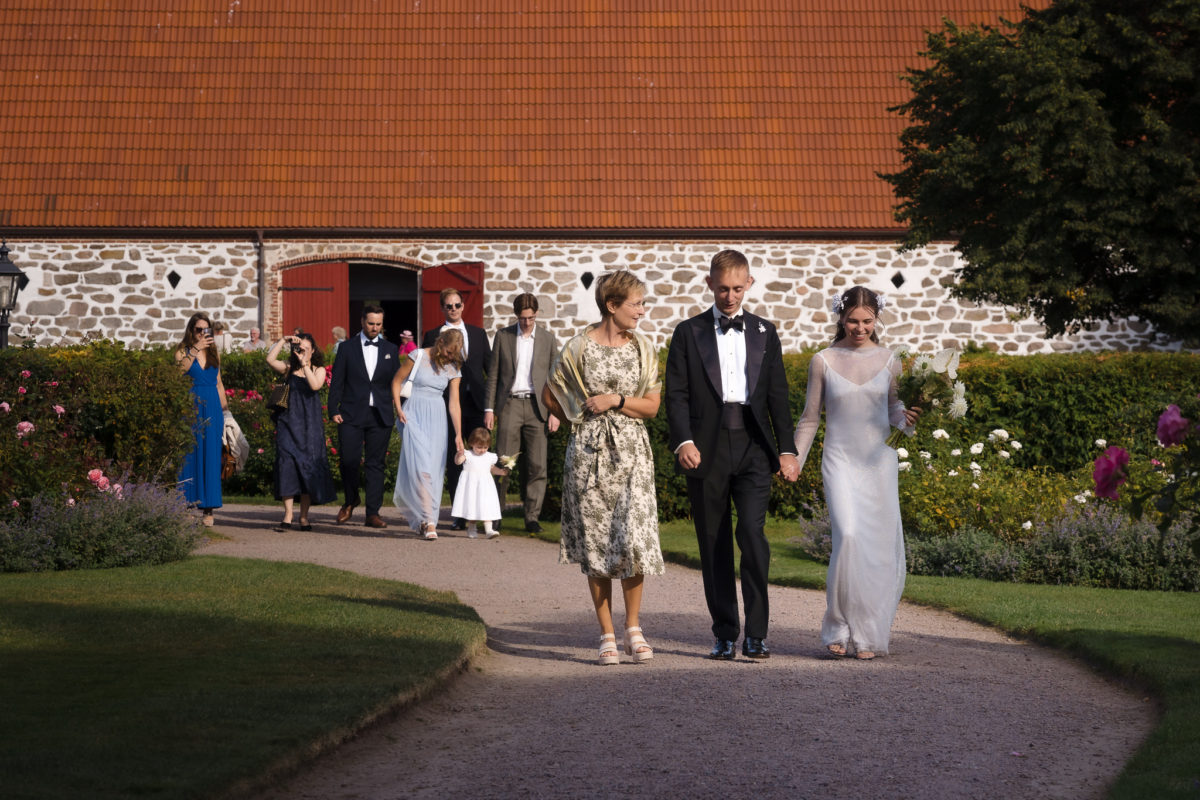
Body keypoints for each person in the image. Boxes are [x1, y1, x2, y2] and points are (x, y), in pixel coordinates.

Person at [665, 249, 800, 661]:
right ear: (709, 284)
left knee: (753, 537)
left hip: (755, 449)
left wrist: (788, 449)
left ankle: (757, 634)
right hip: (706, 449)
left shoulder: (765, 331)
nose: (729, 296)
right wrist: (683, 441)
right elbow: (676, 394)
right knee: (714, 541)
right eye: (722, 288)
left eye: (737, 288)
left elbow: (778, 396)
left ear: (749, 285)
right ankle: (725, 632)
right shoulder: (688, 333)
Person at [792, 287, 921, 660]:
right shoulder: (823, 360)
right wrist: (794, 460)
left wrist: (908, 418)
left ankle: (866, 633)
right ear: (840, 318)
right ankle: (837, 626)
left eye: (867, 321)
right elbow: (810, 418)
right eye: (852, 320)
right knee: (847, 536)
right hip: (840, 460)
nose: (860, 327)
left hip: (878, 463)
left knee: (874, 550)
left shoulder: (891, 360)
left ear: (876, 320)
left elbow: (894, 411)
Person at [543, 269, 664, 666]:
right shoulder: (578, 347)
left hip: (632, 453)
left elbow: (651, 406)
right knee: (596, 543)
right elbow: (551, 392)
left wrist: (614, 399)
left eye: (643, 303)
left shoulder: (644, 348)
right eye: (636, 304)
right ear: (612, 306)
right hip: (590, 456)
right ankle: (607, 634)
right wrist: (578, 415)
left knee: (633, 538)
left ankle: (634, 629)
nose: (642, 311)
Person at [484, 293, 561, 533]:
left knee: (537, 466)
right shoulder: (503, 336)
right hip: (510, 405)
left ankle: (532, 518)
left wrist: (555, 412)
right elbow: (493, 374)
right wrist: (489, 409)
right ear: (516, 315)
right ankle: (496, 513)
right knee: (504, 462)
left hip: (539, 407)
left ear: (536, 314)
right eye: (522, 318)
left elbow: (555, 378)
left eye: (530, 317)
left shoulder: (548, 339)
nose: (526, 322)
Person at [328, 305, 402, 529]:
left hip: (380, 415)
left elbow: (396, 382)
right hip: (350, 413)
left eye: (379, 324)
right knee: (349, 460)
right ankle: (350, 501)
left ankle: (373, 513)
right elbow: (337, 382)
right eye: (371, 323)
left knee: (375, 464)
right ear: (362, 322)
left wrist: (401, 408)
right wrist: (333, 410)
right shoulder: (347, 348)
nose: (375, 328)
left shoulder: (390, 348)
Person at [423, 288, 491, 530]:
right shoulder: (432, 335)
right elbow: (426, 370)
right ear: (443, 308)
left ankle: (482, 513)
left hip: (475, 405)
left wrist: (491, 407)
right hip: (445, 405)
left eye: (457, 305)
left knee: (477, 458)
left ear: (463, 307)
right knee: (455, 459)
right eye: (449, 306)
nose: (453, 309)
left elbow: (490, 371)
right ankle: (458, 515)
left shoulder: (478, 333)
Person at [391, 328, 465, 540]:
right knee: (422, 467)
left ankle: (424, 519)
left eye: (454, 353)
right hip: (412, 414)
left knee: (432, 470)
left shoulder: (453, 367)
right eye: (449, 351)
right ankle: (430, 521)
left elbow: (454, 404)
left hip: (437, 417)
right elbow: (396, 381)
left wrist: (458, 434)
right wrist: (399, 408)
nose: (450, 356)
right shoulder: (418, 355)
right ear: (440, 342)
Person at [266, 331, 337, 531]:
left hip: (310, 426)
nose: (302, 352)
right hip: (288, 424)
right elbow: (270, 359)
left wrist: (305, 364)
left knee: (307, 468)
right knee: (287, 466)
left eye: (306, 349)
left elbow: (315, 386)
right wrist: (283, 341)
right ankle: (288, 515)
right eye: (300, 349)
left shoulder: (318, 369)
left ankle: (304, 517)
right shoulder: (289, 369)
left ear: (313, 351)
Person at [174, 312, 230, 527]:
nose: (203, 333)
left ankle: (209, 508)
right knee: (189, 454)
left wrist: (227, 412)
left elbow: (218, 383)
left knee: (211, 456)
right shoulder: (183, 351)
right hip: (191, 406)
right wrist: (196, 348)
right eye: (199, 329)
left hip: (213, 407)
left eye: (206, 330)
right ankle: (187, 504)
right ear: (191, 331)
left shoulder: (214, 352)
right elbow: (179, 372)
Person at [450, 427, 510, 539]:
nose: (482, 450)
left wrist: (501, 472)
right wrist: (458, 455)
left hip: (485, 486)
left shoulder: (489, 456)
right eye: (479, 447)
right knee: (473, 506)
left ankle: (489, 530)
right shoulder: (467, 454)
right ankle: (472, 528)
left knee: (486, 506)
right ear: (472, 443)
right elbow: (458, 462)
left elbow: (492, 468)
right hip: (471, 486)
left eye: (485, 447)